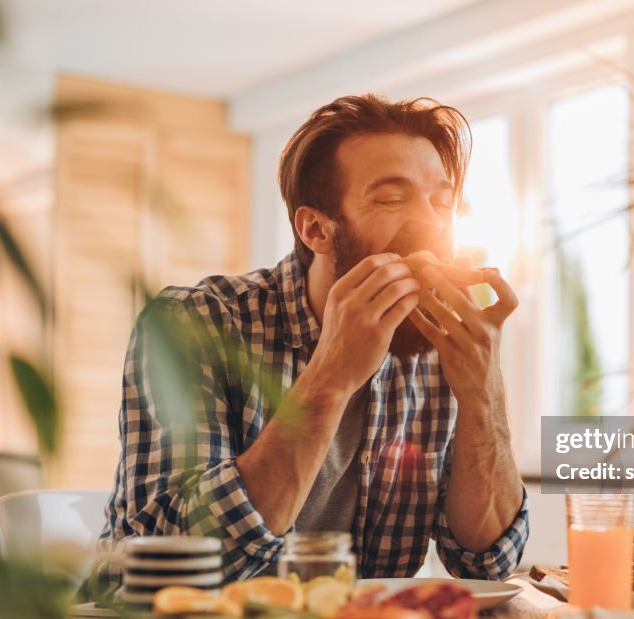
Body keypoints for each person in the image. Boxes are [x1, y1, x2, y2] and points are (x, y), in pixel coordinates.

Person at [100, 94, 528, 582]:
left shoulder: (439, 346)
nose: (430, 223)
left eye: (442, 202)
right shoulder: (193, 324)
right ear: (316, 229)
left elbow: (487, 561)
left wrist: (484, 392)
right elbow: (166, 564)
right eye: (390, 198)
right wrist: (331, 375)